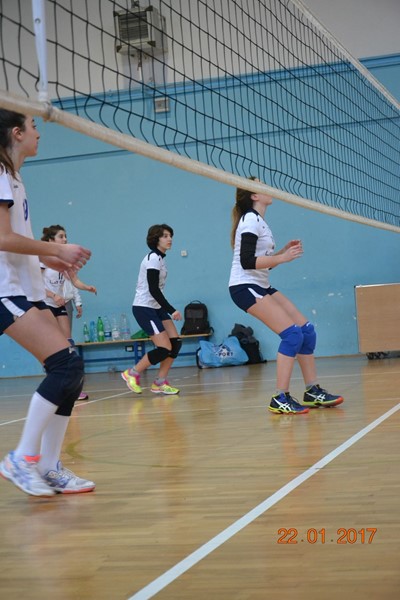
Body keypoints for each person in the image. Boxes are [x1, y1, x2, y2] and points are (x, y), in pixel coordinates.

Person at [0, 108, 95, 495]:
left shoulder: (14, 176)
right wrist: (55, 248)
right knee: (65, 366)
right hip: (4, 291)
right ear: (17, 132)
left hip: (24, 288)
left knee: (71, 370)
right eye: (34, 126)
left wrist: (48, 260)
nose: (39, 133)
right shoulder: (0, 172)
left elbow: (15, 240)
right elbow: (2, 238)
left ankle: (50, 466)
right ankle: (21, 459)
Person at [229, 178, 344, 415]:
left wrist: (282, 252)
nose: (268, 187)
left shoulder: (259, 221)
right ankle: (280, 397)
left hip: (260, 284)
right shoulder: (249, 219)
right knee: (292, 335)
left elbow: (264, 264)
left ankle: (312, 391)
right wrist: (283, 257)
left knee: (306, 331)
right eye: (261, 185)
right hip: (244, 286)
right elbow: (247, 262)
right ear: (254, 195)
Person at [121, 224, 182, 395]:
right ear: (156, 239)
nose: (169, 239)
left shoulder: (161, 259)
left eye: (170, 236)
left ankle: (160, 382)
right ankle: (132, 373)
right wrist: (172, 310)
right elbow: (153, 290)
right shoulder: (153, 259)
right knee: (164, 348)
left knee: (175, 344)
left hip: (156, 307)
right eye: (165, 236)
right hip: (144, 308)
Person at [41, 224, 97, 400]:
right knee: (53, 345)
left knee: (68, 344)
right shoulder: (43, 259)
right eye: (61, 236)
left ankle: (72, 388)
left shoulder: (64, 261)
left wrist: (87, 287)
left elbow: (74, 280)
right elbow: (35, 284)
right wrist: (52, 295)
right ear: (51, 240)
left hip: (60, 305)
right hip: (45, 304)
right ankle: (54, 383)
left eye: (65, 236)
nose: (65, 239)